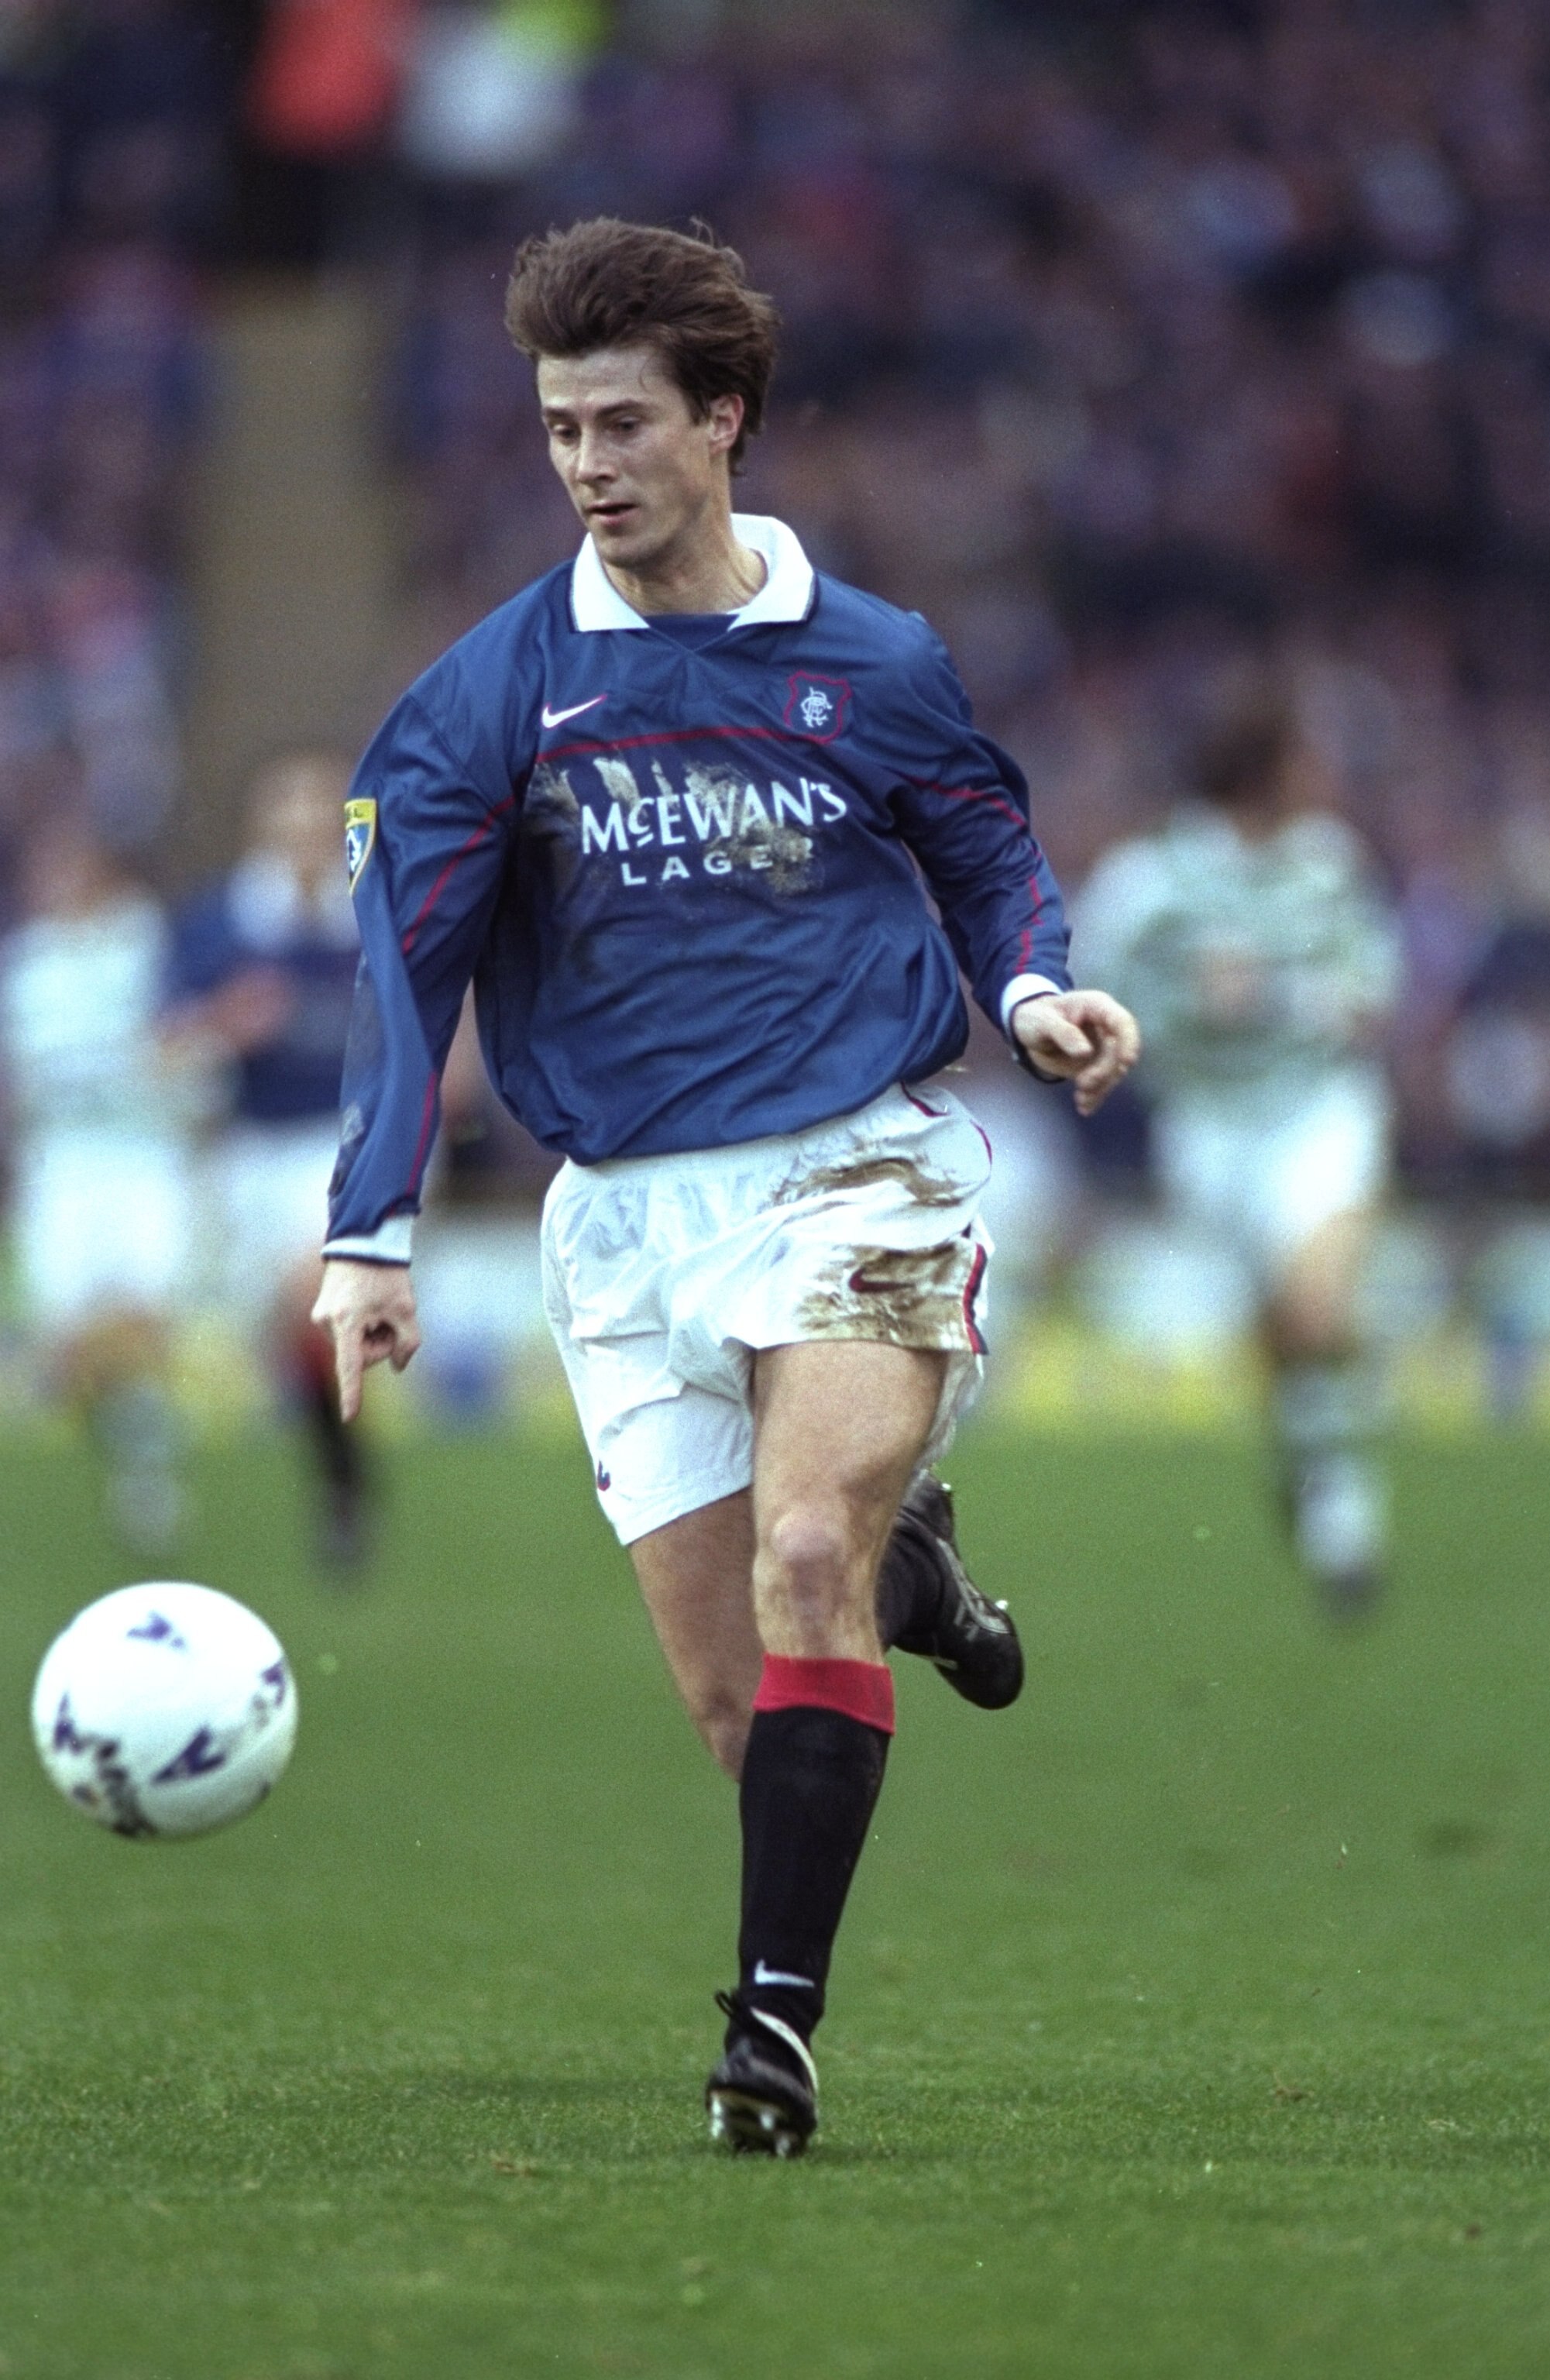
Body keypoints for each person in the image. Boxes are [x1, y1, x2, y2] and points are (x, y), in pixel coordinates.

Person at [312, 218, 1139, 2155]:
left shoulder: (875, 660)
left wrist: (1031, 990)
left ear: (721, 422)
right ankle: (907, 1567)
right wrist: (368, 1231)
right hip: (620, 1220)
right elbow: (400, 972)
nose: (585, 463)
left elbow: (983, 846)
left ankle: (768, 2027)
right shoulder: (481, 702)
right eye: (556, 430)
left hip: (860, 1169)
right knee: (733, 1698)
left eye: (619, 422)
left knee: (795, 1562)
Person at [1071, 655, 1401, 1614]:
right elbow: (1092, 1000)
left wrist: (1286, 996)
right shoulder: (1153, 879)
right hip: (1212, 1126)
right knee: (1284, 1334)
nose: (1322, 774)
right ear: (1264, 768)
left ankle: (1344, 1514)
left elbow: (1374, 990)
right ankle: (1312, 1466)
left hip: (1318, 1112)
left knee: (1319, 1306)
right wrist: (1187, 1005)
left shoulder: (1328, 864)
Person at [169, 749, 370, 1567]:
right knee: (288, 1328)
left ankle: (344, 1479)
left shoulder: (374, 907)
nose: (303, 835)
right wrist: (223, 1023)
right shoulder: (218, 922)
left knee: (310, 1287)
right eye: (288, 816)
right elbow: (165, 1041)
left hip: (351, 1134)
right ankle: (341, 1475)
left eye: (319, 817)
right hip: (251, 1146)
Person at [0, 822, 205, 1547]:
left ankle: (143, 1465)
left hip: (142, 1154)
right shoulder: (23, 964)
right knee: (66, 1341)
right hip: (62, 1163)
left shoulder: (145, 945)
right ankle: (136, 1439)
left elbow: (187, 1036)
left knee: (141, 1312)